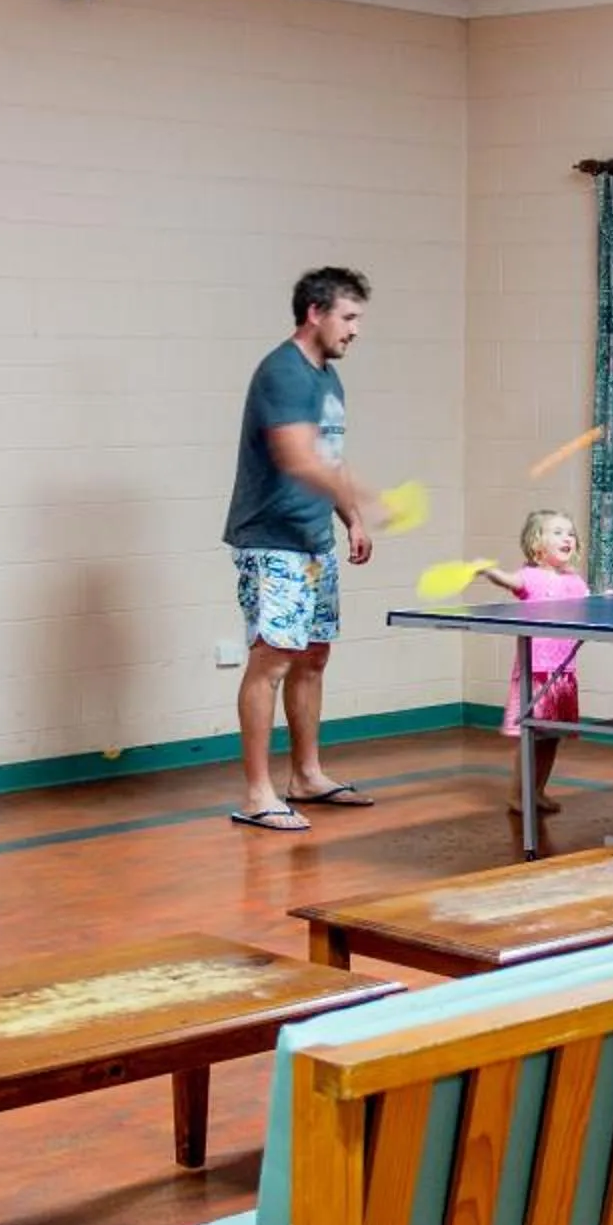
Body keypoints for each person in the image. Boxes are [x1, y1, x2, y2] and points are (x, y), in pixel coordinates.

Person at [224, 267, 376, 832]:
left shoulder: (329, 380)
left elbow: (331, 458)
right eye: (349, 317)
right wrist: (376, 496)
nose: (355, 330)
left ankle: (306, 776)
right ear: (316, 312)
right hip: (272, 542)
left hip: (314, 541)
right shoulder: (282, 373)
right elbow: (297, 459)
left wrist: (352, 517)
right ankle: (257, 794)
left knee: (313, 656)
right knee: (273, 661)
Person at [477, 509, 592, 813]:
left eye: (570, 533)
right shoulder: (530, 577)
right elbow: (509, 580)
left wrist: (608, 600)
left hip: (563, 672)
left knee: (551, 738)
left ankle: (538, 791)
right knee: (531, 736)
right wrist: (488, 571)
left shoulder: (575, 581)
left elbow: (591, 605)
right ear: (537, 543)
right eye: (557, 532)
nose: (567, 538)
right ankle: (518, 795)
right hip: (536, 671)